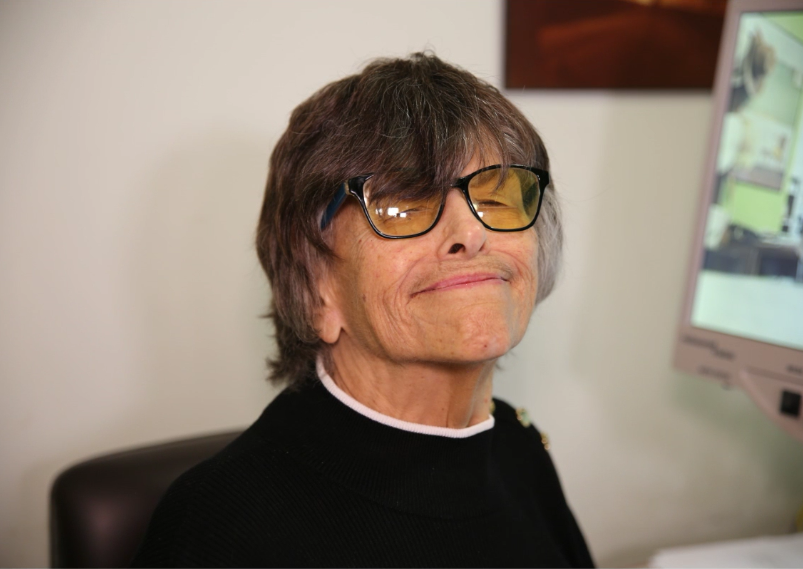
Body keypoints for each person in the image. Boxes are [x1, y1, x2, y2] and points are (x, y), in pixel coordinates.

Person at [131, 52, 593, 568]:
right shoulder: (224, 524)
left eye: (498, 193)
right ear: (315, 283)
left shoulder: (518, 450)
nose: (470, 234)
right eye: (402, 204)